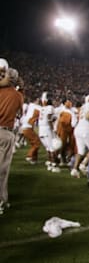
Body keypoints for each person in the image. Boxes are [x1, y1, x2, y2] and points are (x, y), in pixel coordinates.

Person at [0, 58, 24, 215]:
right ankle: (1, 200)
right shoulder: (17, 96)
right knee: (2, 169)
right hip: (5, 133)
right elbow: (20, 113)